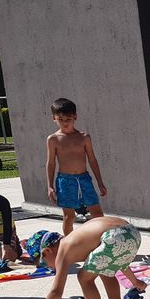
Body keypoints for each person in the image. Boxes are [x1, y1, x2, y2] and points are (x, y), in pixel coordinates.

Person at [26, 215, 142, 299]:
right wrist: (135, 281)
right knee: (106, 270)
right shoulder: (80, 241)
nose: (49, 267)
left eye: (43, 264)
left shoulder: (63, 250)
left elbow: (56, 291)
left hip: (114, 236)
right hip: (131, 232)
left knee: (84, 278)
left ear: (47, 251)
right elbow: (118, 259)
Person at [46, 98, 107, 236]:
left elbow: (92, 160)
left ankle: (102, 240)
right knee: (69, 216)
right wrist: (50, 186)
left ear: (75, 117)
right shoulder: (53, 139)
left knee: (97, 213)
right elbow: (51, 163)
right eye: (61, 119)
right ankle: (69, 242)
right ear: (54, 118)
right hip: (65, 181)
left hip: (84, 179)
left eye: (68, 119)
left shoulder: (84, 137)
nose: (65, 122)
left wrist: (100, 182)